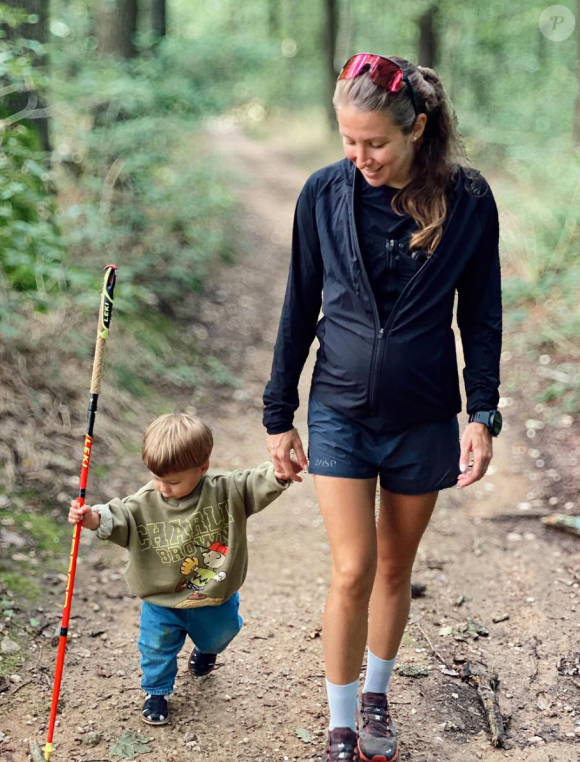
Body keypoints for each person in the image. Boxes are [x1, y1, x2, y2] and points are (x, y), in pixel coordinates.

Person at [263, 53, 502, 762]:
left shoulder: (468, 200)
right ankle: (340, 720)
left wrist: (482, 414)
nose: (360, 156)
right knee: (352, 569)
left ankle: (376, 696)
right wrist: (279, 414)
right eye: (348, 140)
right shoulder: (322, 195)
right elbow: (299, 305)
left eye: (376, 142)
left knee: (396, 568)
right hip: (338, 406)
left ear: (417, 129)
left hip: (425, 415)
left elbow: (482, 314)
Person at [68, 413, 296, 726]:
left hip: (212, 595)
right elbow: (119, 517)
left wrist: (279, 475)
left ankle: (206, 650)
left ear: (202, 468)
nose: (162, 487)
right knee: (155, 647)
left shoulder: (225, 491)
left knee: (221, 633)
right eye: (156, 477)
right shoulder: (146, 502)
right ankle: (157, 692)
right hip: (161, 599)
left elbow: (254, 482)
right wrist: (93, 518)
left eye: (173, 481)